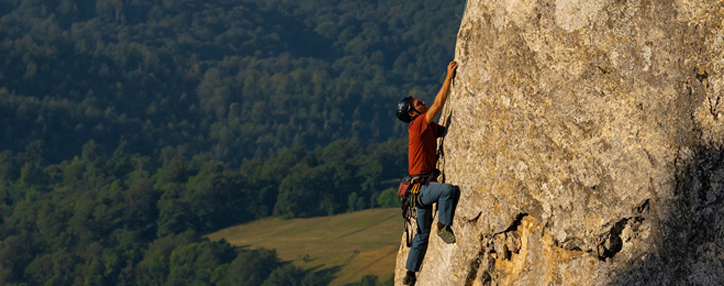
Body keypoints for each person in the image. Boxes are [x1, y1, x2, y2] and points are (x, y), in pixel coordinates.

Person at [396, 61, 461, 285]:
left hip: (418, 193)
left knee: (422, 235)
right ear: (413, 113)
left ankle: (410, 275)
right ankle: (444, 225)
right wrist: (449, 78)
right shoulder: (417, 125)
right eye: (418, 103)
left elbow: (447, 130)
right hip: (423, 190)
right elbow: (438, 103)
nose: (422, 102)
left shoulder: (427, 127)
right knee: (448, 191)